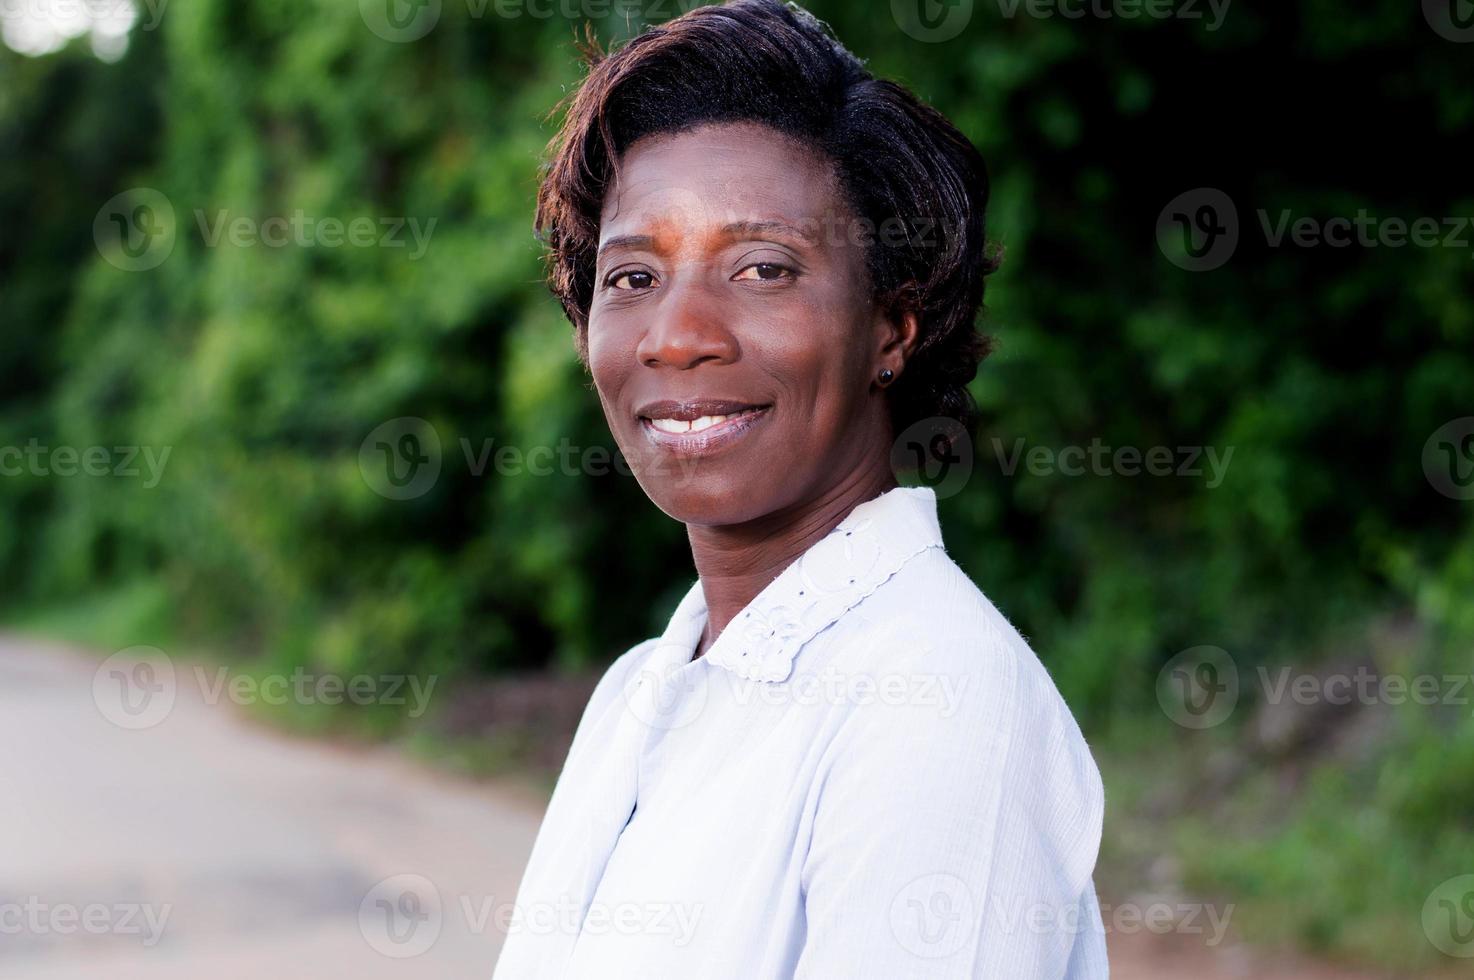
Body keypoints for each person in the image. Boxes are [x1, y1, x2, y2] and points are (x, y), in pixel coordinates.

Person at [494, 2, 1107, 976]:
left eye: (763, 267)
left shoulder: (937, 704)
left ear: (891, 328)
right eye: (632, 277)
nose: (678, 333)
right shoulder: (633, 695)